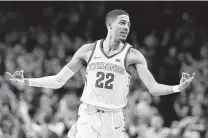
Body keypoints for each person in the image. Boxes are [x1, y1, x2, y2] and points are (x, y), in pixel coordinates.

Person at [6, 9, 195, 138]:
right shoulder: (88, 50)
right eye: (122, 23)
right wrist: (27, 81)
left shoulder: (133, 55)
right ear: (110, 25)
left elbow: (153, 88)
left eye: (128, 24)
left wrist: (178, 87)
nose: (126, 27)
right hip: (89, 113)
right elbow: (58, 80)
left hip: (114, 118)